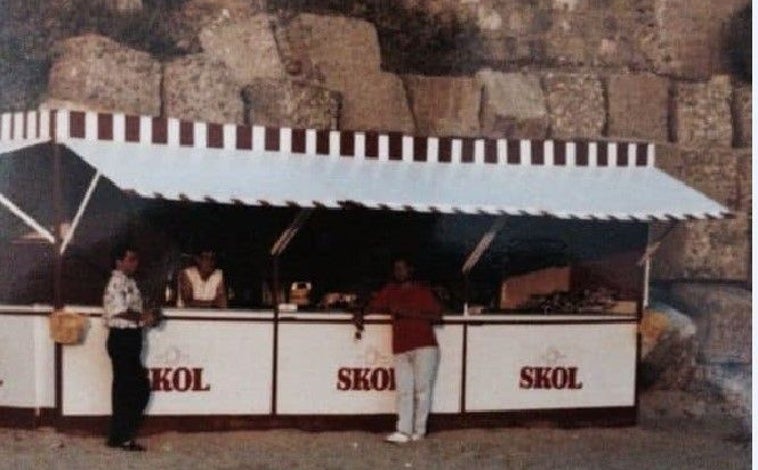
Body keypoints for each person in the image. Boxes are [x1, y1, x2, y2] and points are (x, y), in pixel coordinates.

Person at [368, 257, 443, 444]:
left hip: (424, 346)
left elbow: (438, 316)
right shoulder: (390, 290)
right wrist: (360, 312)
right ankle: (403, 430)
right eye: (396, 269)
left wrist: (407, 313)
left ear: (411, 270)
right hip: (401, 347)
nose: (398, 272)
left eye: (401, 268)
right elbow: (373, 304)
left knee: (422, 391)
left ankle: (419, 430)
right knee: (404, 390)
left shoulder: (423, 291)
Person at [102, 243, 158, 451]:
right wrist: (144, 317)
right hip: (123, 337)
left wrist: (145, 316)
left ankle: (118, 436)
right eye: (131, 259)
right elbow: (119, 310)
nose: (135, 263)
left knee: (124, 388)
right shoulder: (117, 282)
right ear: (119, 261)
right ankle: (124, 436)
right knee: (137, 388)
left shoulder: (128, 282)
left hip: (127, 338)